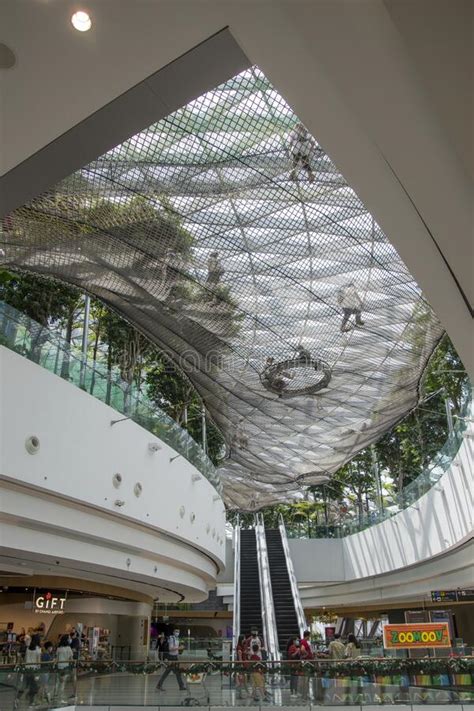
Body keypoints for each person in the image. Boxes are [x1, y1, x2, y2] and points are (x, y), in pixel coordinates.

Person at [24, 633, 42, 705]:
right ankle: (32, 701)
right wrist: (38, 672)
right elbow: (38, 661)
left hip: (27, 669)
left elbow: (25, 659)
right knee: (35, 687)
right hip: (34, 670)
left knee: (32, 686)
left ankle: (32, 701)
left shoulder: (28, 648)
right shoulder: (38, 649)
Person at [56, 634, 74, 701]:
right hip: (65, 667)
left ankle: (56, 696)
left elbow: (57, 659)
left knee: (59, 682)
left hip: (59, 667)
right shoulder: (68, 648)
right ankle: (60, 698)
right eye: (69, 638)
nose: (70, 639)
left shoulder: (59, 648)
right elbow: (71, 659)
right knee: (63, 684)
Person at [299, 630, 314, 700]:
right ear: (307, 636)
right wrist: (307, 654)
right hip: (307, 662)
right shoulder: (304, 642)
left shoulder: (303, 641)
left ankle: (305, 694)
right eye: (309, 636)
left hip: (308, 661)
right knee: (306, 678)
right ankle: (305, 694)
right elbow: (302, 649)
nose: (309, 638)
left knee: (306, 678)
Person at [235, 634, 248, 699]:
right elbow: (240, 657)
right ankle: (240, 694)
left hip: (244, 663)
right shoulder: (239, 647)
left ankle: (244, 693)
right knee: (241, 680)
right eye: (244, 638)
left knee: (243, 680)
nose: (245, 639)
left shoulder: (243, 646)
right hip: (241, 664)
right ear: (241, 639)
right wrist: (241, 664)